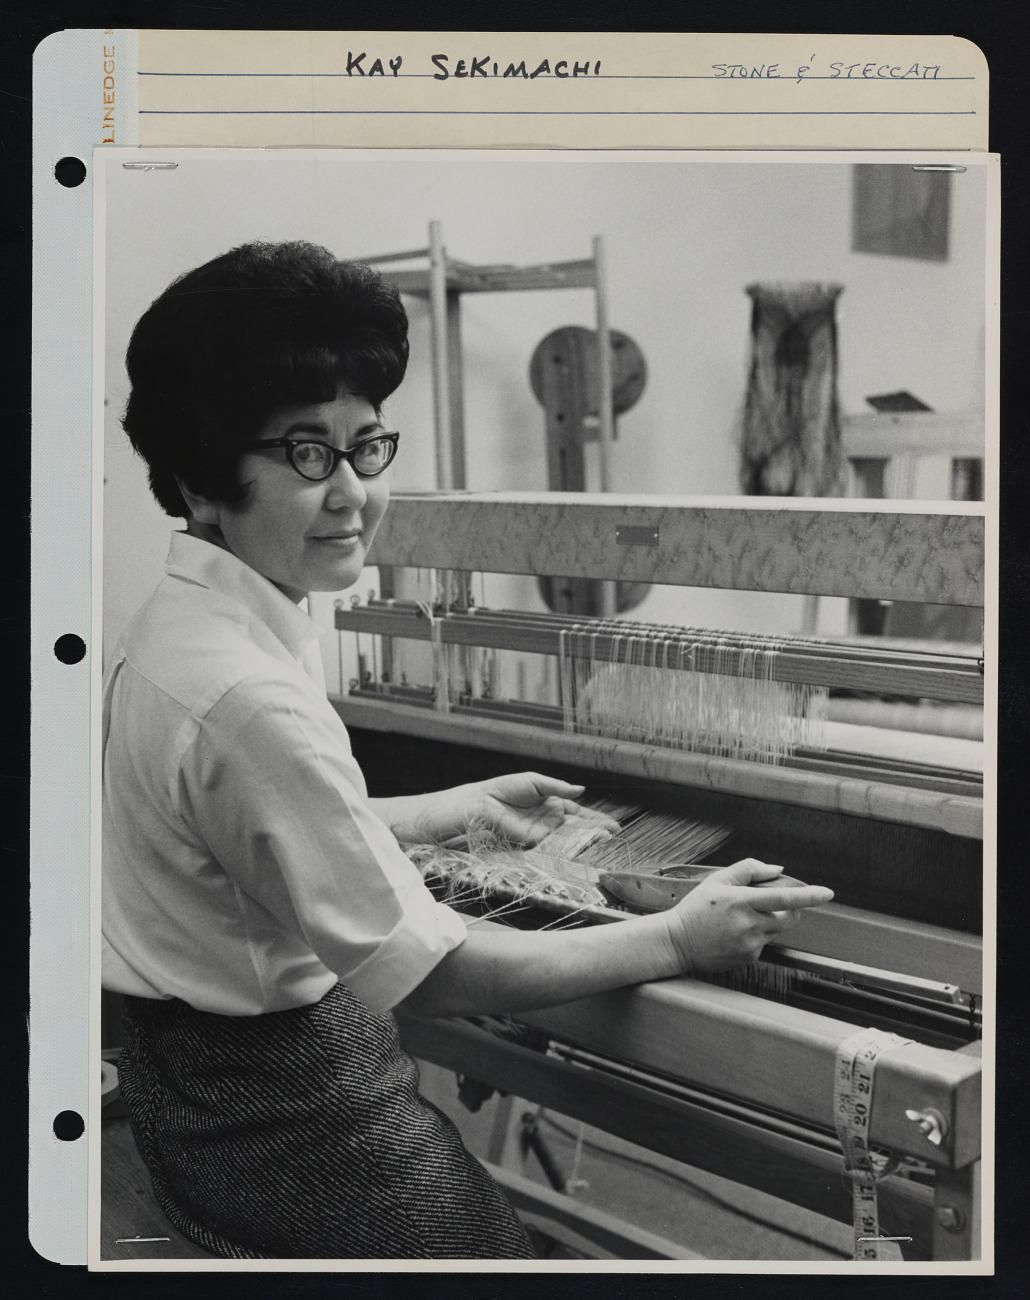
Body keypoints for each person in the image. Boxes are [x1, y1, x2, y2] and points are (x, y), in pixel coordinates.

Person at [102, 240, 834, 1260]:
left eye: (367, 446)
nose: (353, 491)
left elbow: (228, 837)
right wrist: (678, 939)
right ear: (203, 479)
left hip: (191, 1086)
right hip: (275, 1111)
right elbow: (432, 972)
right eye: (306, 453)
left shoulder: (178, 627)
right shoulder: (248, 694)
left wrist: (444, 810)